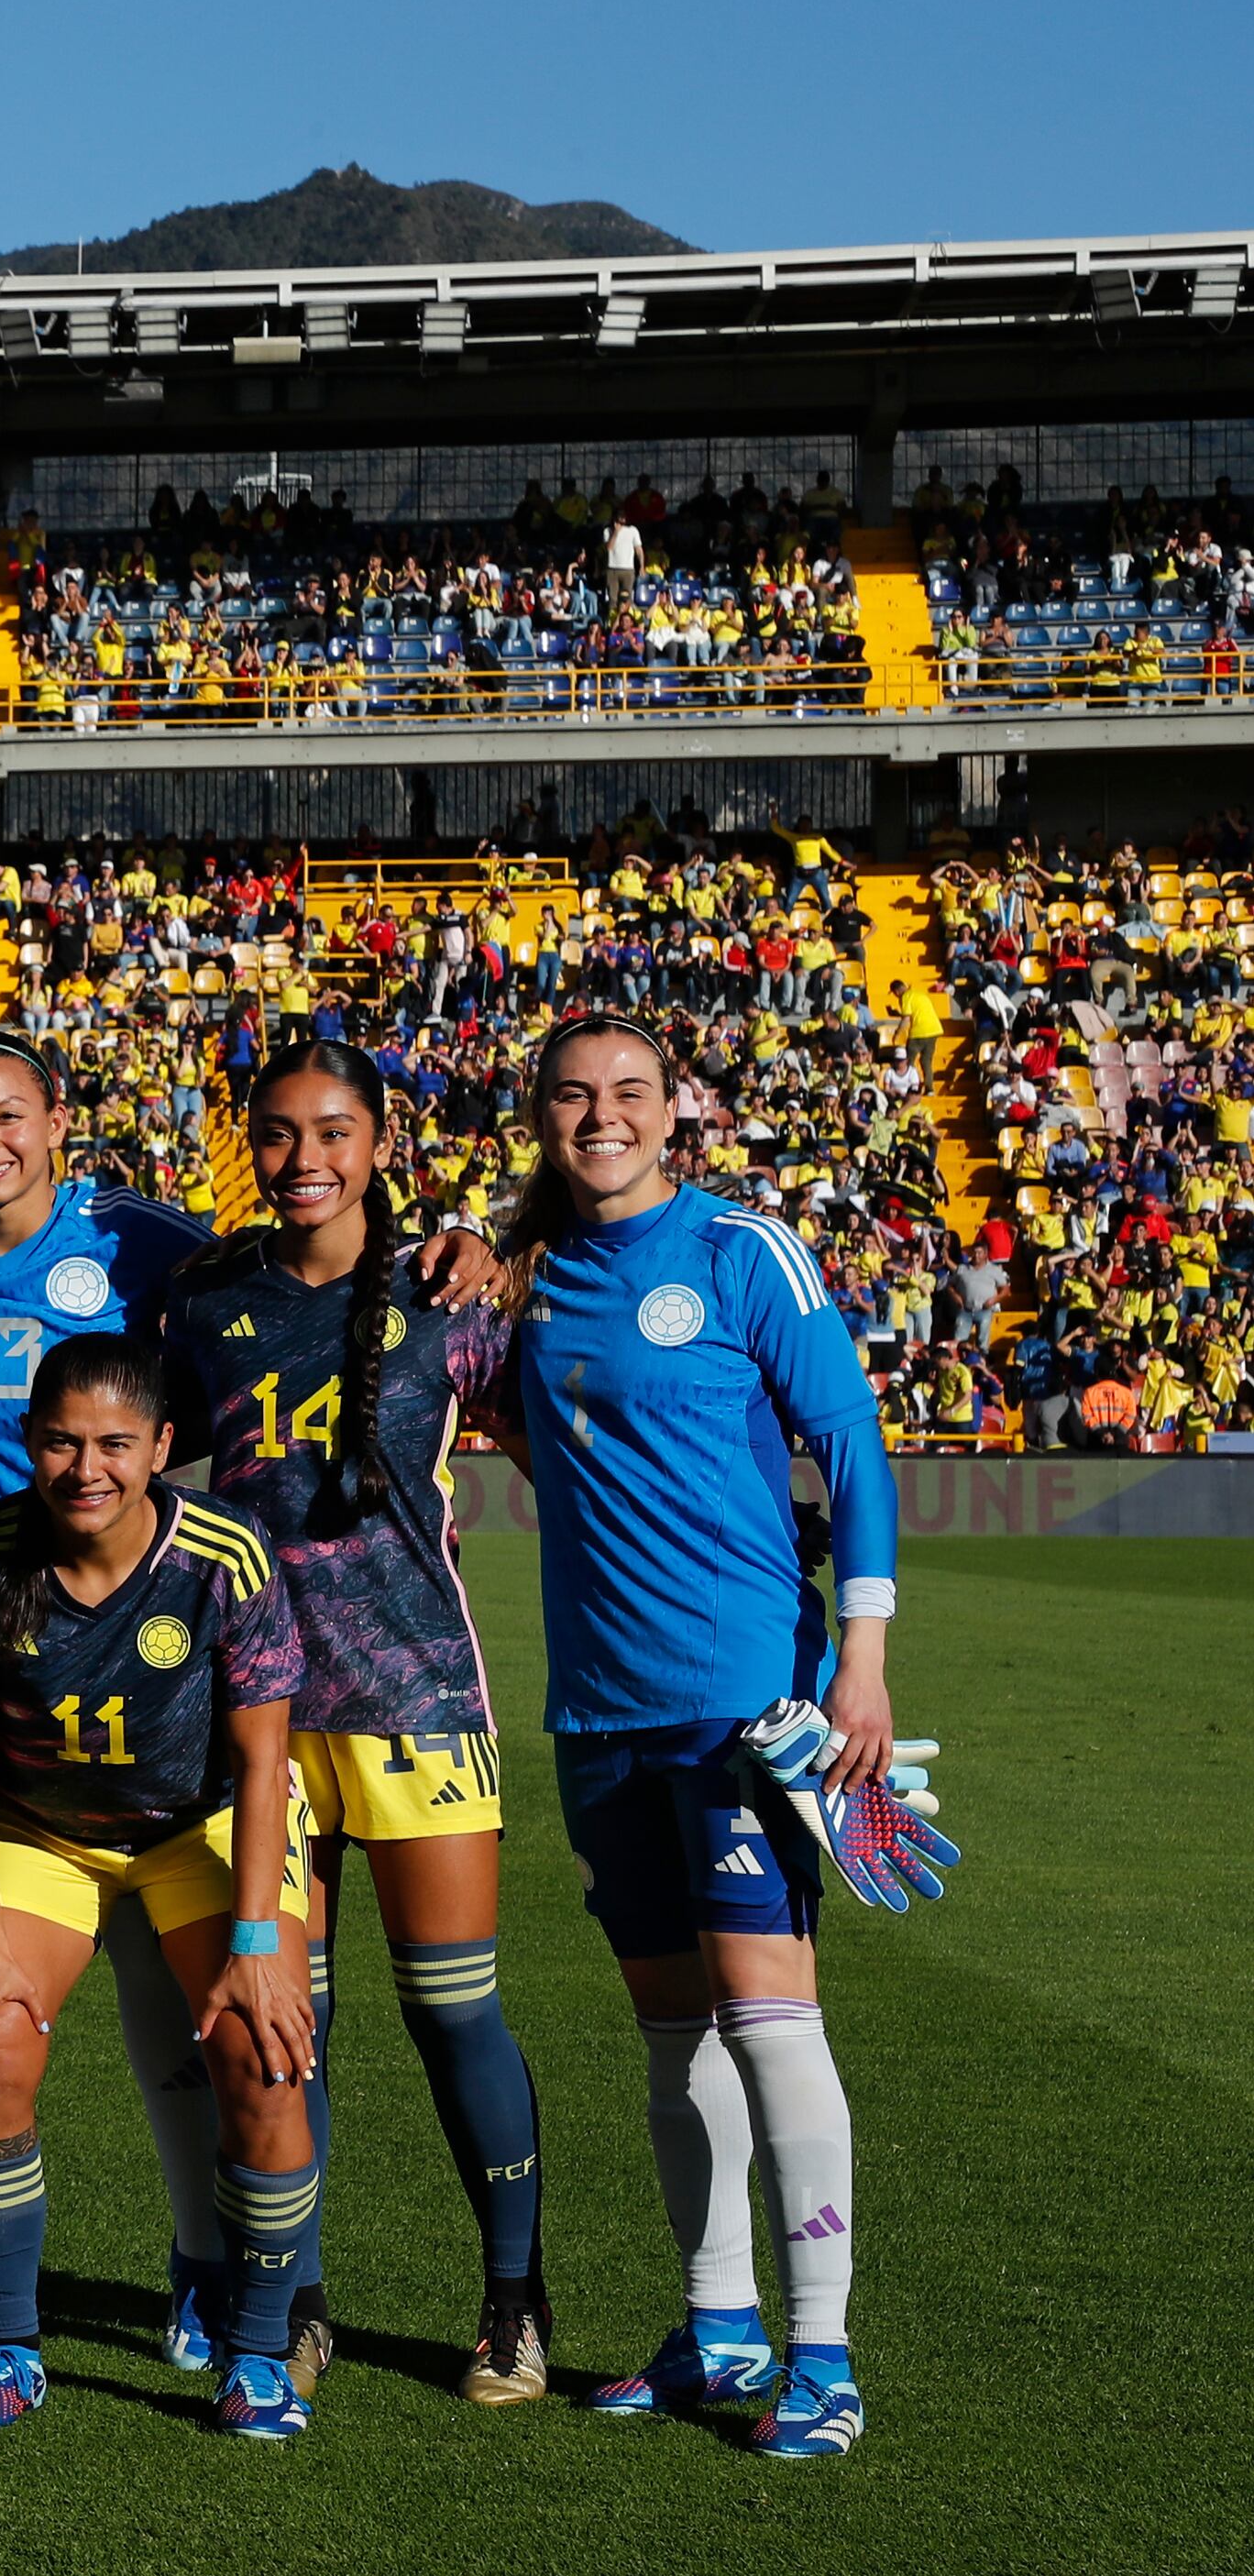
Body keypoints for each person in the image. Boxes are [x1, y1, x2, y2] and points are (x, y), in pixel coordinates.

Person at [501, 1013, 900, 2459]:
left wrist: (862, 1657)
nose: (599, 1116)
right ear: (539, 1116)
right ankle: (718, 2325)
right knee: (674, 2032)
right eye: (571, 1096)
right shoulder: (527, 1275)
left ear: (675, 1110)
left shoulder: (742, 1252)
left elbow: (848, 1441)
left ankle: (826, 2353)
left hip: (746, 1707)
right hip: (598, 1711)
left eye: (627, 1094)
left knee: (770, 2016)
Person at [164, 1041, 550, 2405]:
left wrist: (496, 1246)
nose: (304, 1156)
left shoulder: (449, 1297)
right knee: (283, 2025)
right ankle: (301, 2302)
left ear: (382, 1139)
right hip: (255, 1706)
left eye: (333, 1129)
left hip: (417, 1695)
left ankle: (514, 2301)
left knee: (454, 2011)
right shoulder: (206, 1295)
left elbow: (572, 1431)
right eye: (275, 1133)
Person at [0, 1333, 322, 2438]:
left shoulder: (223, 1557)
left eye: (112, 1443)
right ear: (25, 1441)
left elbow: (258, 1764)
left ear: (160, 1449)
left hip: (202, 1828)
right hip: (39, 1832)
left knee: (262, 2055)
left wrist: (251, 1946)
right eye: (58, 1441)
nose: (84, 1467)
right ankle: (4, 2344)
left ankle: (256, 2353)